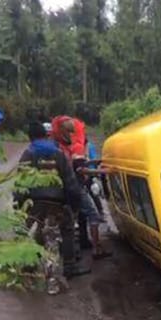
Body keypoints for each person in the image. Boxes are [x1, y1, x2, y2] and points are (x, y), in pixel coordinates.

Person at [15, 122, 91, 294]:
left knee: (32, 234)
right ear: (46, 135)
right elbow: (70, 183)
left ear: (30, 137)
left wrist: (18, 205)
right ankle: (68, 268)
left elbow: (21, 183)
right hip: (57, 204)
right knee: (66, 231)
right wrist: (74, 205)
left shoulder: (28, 153)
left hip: (34, 204)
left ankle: (28, 269)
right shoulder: (59, 154)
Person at [51, 116, 111, 260]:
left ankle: (75, 252)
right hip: (77, 186)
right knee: (93, 215)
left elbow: (77, 164)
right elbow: (80, 169)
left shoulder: (59, 146)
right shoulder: (74, 145)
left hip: (67, 188)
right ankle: (96, 249)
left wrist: (96, 161)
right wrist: (103, 171)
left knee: (73, 219)